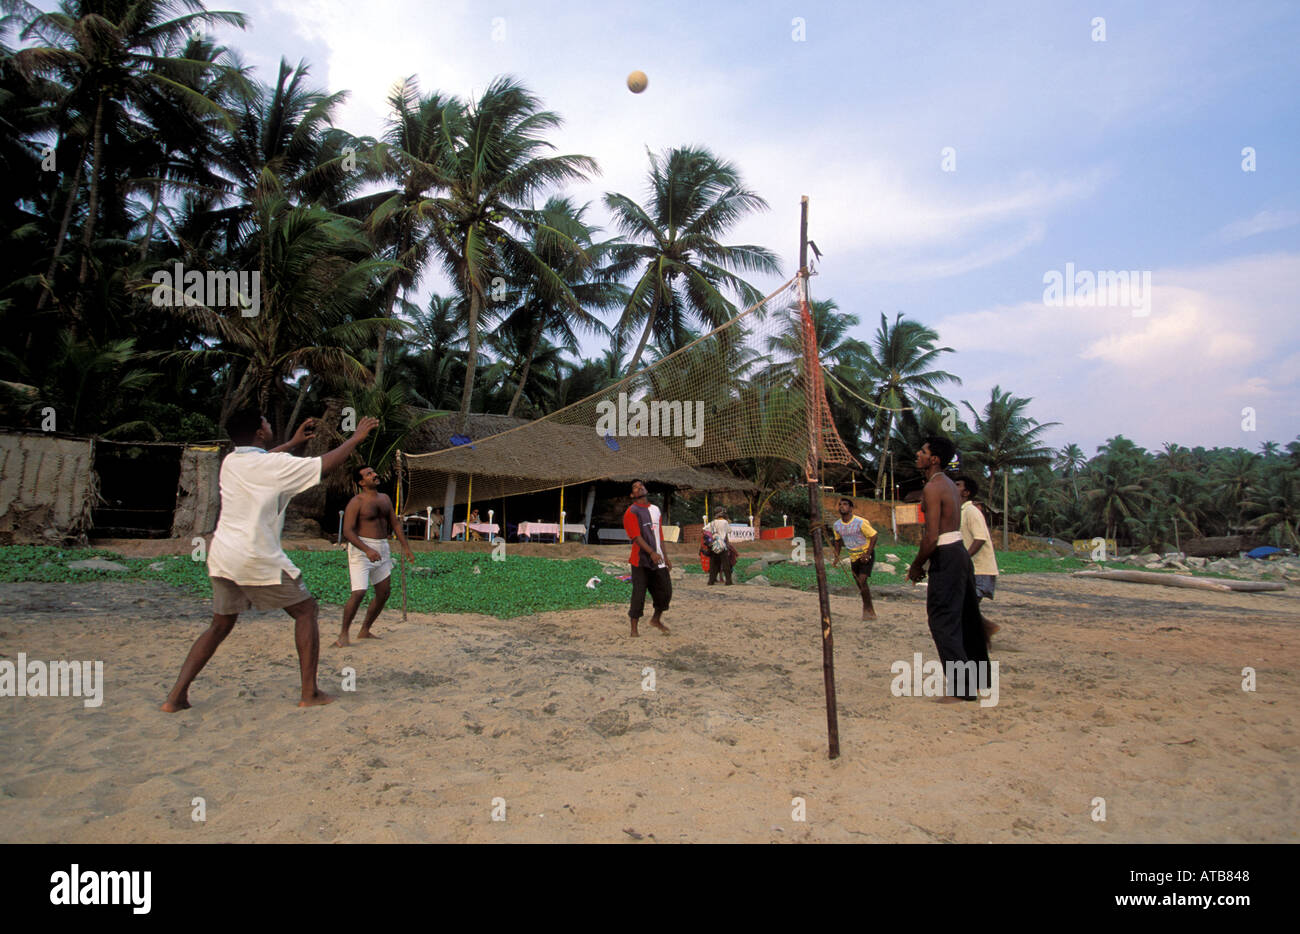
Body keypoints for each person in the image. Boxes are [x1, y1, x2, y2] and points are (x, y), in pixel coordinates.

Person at [162, 410, 379, 711]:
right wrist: (356, 438)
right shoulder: (271, 464)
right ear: (260, 433)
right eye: (265, 421)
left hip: (223, 555)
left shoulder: (231, 462)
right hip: (256, 555)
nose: (268, 424)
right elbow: (323, 465)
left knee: (219, 625)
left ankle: (175, 697)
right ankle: (310, 693)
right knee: (306, 610)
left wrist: (291, 443)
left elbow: (263, 461)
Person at [906, 437, 991, 703]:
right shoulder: (949, 486)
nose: (917, 453)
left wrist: (917, 564)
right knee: (965, 618)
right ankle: (978, 681)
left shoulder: (934, 488)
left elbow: (931, 536)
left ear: (934, 460)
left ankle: (962, 690)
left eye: (922, 450)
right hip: (958, 553)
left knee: (943, 620)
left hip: (946, 554)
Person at [335, 464, 416, 647]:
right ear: (362, 482)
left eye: (373, 472)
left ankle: (365, 630)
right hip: (361, 549)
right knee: (359, 592)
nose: (374, 475)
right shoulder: (357, 502)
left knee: (384, 592)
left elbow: (395, 524)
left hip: (382, 547)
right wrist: (367, 549)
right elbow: (348, 531)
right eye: (369, 474)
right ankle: (343, 634)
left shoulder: (385, 499)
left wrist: (406, 548)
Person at [955, 474, 1000, 645]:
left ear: (966, 492)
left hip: (980, 569)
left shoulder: (972, 511)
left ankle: (983, 634)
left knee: (965, 606)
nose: (953, 486)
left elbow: (980, 538)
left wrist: (964, 558)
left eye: (957, 484)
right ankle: (985, 632)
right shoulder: (960, 512)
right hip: (972, 569)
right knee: (965, 606)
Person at [623, 480, 671, 636]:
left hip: (658, 558)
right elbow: (636, 536)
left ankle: (656, 619)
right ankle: (634, 629)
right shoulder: (631, 512)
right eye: (635, 487)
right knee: (639, 593)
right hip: (640, 560)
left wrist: (665, 556)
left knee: (665, 592)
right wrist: (651, 552)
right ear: (632, 494)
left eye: (641, 485)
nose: (639, 487)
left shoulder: (656, 510)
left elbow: (660, 535)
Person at [830, 497, 879, 620]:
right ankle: (868, 606)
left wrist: (868, 554)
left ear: (851, 508)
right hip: (853, 557)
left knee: (862, 580)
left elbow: (874, 536)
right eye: (840, 504)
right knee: (860, 584)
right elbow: (837, 541)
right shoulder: (837, 525)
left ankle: (868, 610)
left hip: (865, 555)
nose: (842, 506)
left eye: (845, 504)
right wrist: (837, 556)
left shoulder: (860, 522)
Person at [704, 508, 736, 585]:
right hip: (722, 545)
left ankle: (711, 581)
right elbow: (728, 533)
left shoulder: (712, 523)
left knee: (713, 564)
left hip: (713, 545)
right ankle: (728, 581)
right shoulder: (725, 522)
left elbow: (705, 530)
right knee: (725, 564)